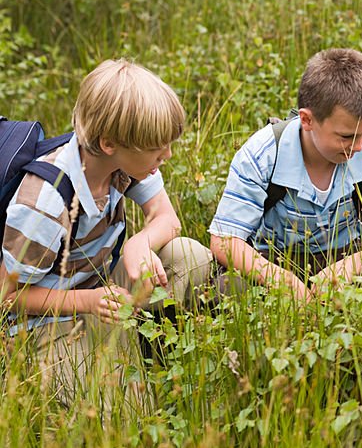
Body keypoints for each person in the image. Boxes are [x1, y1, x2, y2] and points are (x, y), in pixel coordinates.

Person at [1, 60, 213, 403]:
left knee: (188, 256)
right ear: (110, 143)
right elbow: (8, 297)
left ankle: (149, 346)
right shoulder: (45, 201)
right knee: (125, 413)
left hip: (99, 289)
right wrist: (88, 301)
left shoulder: (126, 166)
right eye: (157, 149)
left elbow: (166, 217)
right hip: (41, 322)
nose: (168, 155)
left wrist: (139, 244)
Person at [209, 48, 362, 301]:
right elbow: (225, 240)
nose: (358, 147)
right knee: (227, 287)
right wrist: (283, 281)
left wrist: (352, 266)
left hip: (347, 258)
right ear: (307, 120)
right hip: (273, 262)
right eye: (346, 136)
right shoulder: (263, 154)